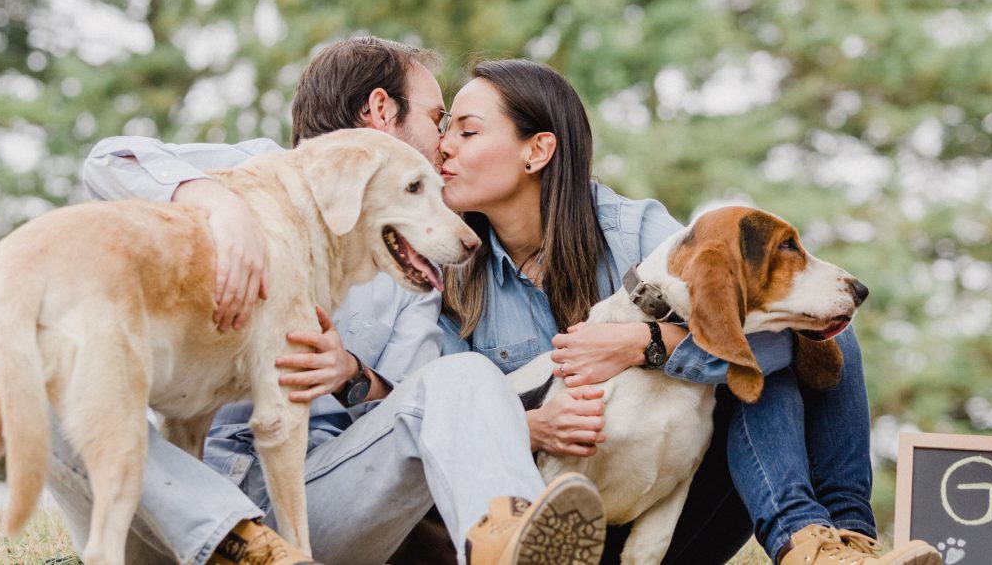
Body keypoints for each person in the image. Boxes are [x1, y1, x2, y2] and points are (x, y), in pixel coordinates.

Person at [71, 37, 607, 565]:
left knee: (462, 374)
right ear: (380, 109)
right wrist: (217, 204)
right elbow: (109, 162)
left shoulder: (414, 261)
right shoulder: (256, 170)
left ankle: (507, 544)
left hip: (315, 501)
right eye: (437, 119)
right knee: (50, 365)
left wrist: (347, 372)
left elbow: (413, 406)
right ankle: (233, 541)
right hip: (172, 504)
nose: (444, 142)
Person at [434, 59, 942, 565]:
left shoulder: (637, 232)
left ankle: (831, 543)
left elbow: (741, 319)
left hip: (671, 512)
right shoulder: (447, 274)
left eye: (467, 131)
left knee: (813, 338)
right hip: (544, 522)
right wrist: (533, 427)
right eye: (444, 130)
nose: (444, 146)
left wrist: (648, 344)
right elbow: (442, 419)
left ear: (538, 150)